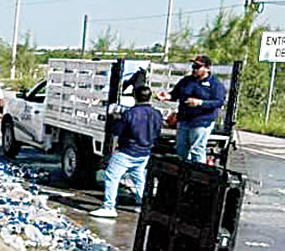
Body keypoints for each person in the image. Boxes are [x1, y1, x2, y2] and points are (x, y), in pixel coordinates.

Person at [90, 85, 164, 218]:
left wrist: (116, 116)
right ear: (149, 97)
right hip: (144, 152)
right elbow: (158, 132)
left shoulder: (130, 114)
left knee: (112, 176)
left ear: (134, 97)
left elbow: (116, 131)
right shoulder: (157, 114)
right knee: (139, 178)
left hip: (127, 151)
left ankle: (109, 207)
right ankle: (143, 205)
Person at [156, 54, 225, 163]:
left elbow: (219, 102)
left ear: (207, 68)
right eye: (193, 66)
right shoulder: (186, 81)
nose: (194, 69)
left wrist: (200, 103)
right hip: (184, 119)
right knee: (181, 148)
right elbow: (175, 94)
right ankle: (183, 174)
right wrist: (167, 97)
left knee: (197, 149)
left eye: (198, 67)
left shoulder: (215, 84)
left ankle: (199, 175)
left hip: (202, 121)